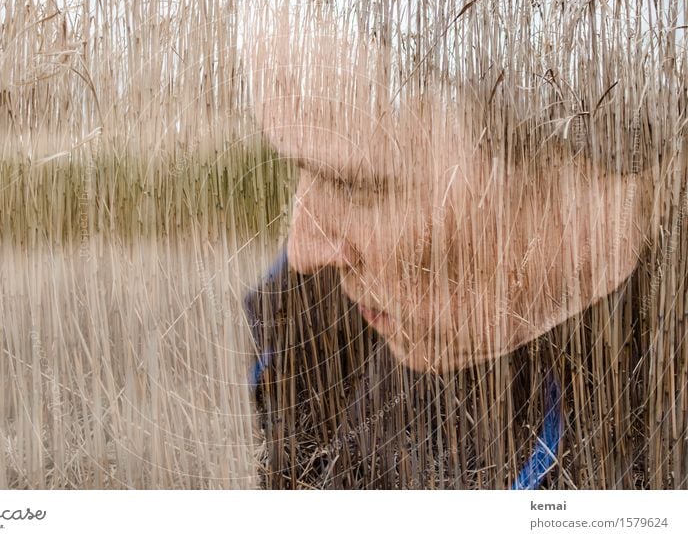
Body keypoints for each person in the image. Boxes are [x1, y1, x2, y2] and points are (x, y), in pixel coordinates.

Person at [243, 25, 665, 489]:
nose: (302, 250)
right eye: (298, 169)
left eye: (352, 184)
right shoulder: (299, 324)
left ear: (582, 187)